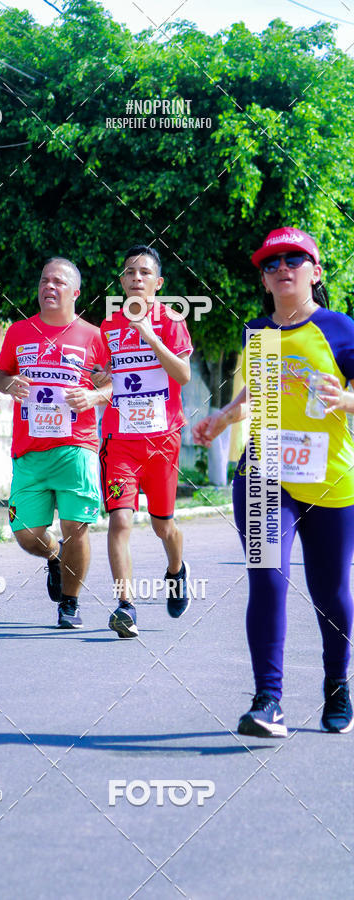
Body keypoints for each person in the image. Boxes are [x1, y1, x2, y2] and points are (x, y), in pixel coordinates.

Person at [193, 227, 354, 736]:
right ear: (264, 280)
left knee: (331, 591)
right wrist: (221, 418)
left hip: (329, 479)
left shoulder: (340, 329)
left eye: (294, 259)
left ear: (315, 271)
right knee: (266, 577)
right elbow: (255, 396)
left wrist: (347, 400)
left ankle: (337, 684)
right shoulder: (257, 332)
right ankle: (269, 700)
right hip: (264, 474)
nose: (282, 268)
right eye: (271, 263)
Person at [0, 257, 110, 628]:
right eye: (45, 280)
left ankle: (70, 604)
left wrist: (93, 396)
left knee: (77, 526)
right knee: (26, 534)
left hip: (77, 446)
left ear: (75, 292)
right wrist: (8, 384)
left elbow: (116, 384)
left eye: (58, 282)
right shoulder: (19, 332)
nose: (49, 287)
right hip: (29, 451)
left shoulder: (94, 336)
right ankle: (55, 555)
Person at [93, 245, 193, 638]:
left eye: (145, 272)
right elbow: (102, 378)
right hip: (120, 441)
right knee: (120, 519)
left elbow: (183, 374)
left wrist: (150, 336)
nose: (137, 278)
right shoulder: (108, 327)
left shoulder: (171, 321)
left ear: (158, 283)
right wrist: (99, 378)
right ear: (121, 281)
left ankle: (176, 571)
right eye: (130, 272)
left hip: (163, 441)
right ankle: (126, 606)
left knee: (163, 525)